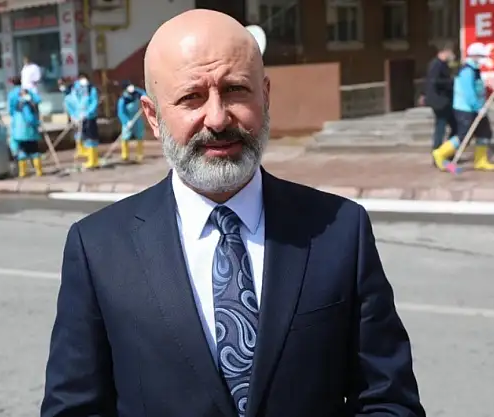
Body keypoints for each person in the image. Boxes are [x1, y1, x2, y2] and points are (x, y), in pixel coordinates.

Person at [41, 9, 425, 417]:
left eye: (236, 90)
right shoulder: (98, 249)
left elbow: (388, 400)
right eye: (191, 97)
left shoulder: (339, 231)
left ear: (265, 95)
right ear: (153, 116)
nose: (218, 118)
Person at [432, 42, 494, 172]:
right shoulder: (467, 71)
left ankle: (480, 161)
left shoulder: (475, 70)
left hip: (477, 108)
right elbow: (469, 93)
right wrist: (478, 107)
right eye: (482, 57)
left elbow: (477, 89)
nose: (483, 60)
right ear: (474, 56)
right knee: (463, 136)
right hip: (466, 109)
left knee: (485, 133)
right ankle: (440, 153)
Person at [424, 43, 457, 156]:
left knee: (452, 126)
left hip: (443, 101)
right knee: (441, 127)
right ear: (445, 51)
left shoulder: (442, 64)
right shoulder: (436, 65)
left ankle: (445, 152)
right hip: (440, 101)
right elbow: (435, 81)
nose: (453, 55)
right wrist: (452, 81)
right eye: (452, 52)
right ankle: (439, 153)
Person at [8, 76, 43, 177]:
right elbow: (38, 100)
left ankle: (22, 172)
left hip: (19, 128)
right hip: (31, 129)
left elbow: (10, 110)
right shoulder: (28, 92)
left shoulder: (12, 95)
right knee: (34, 150)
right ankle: (38, 171)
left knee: (22, 150)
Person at [69, 72, 100, 168]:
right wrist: (74, 115)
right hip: (79, 118)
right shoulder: (75, 90)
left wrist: (87, 113)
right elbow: (71, 102)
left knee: (91, 138)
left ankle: (93, 161)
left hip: (90, 118)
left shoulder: (91, 89)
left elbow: (94, 102)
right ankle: (89, 158)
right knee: (84, 137)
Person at [116, 80, 147, 162]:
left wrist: (145, 101)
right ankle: (125, 155)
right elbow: (121, 112)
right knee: (125, 136)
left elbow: (144, 94)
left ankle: (139, 154)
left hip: (137, 116)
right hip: (128, 118)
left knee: (139, 134)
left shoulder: (136, 92)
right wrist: (126, 122)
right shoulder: (123, 99)